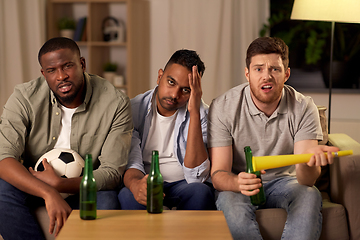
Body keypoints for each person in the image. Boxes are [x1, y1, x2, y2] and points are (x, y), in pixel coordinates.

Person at [0, 37, 133, 239]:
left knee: (107, 202)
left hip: (85, 187)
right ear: (44, 74)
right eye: (52, 70)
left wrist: (59, 185)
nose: (61, 76)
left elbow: (112, 172)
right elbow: (4, 158)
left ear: (82, 64)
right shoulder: (24, 98)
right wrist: (48, 192)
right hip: (36, 184)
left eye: (68, 66)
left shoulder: (115, 102)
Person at [207, 37, 339, 240]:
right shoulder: (223, 107)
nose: (266, 76)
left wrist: (310, 160)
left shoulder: (304, 107)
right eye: (258, 69)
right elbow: (218, 173)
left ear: (286, 74)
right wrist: (237, 182)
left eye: (274, 69)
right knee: (229, 203)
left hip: (285, 182)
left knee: (309, 194)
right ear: (247, 73)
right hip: (241, 182)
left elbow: (306, 179)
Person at [118, 49, 215, 210]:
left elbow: (196, 177)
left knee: (201, 193)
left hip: (183, 184)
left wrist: (195, 113)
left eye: (186, 90)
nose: (175, 95)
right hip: (145, 179)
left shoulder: (203, 114)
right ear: (159, 76)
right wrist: (136, 186)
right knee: (126, 196)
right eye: (171, 82)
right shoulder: (133, 109)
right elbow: (131, 162)